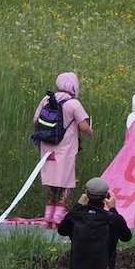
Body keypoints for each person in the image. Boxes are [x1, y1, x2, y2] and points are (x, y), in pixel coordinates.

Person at [35, 72, 94, 229]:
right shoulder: (74, 104)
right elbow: (83, 126)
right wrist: (90, 131)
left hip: (47, 148)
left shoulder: (47, 99)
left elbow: (35, 120)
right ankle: (58, 219)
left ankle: (48, 219)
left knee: (51, 184)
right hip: (65, 149)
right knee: (64, 183)